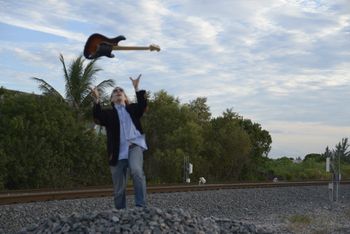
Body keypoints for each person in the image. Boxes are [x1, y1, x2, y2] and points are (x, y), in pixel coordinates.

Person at [91, 74, 147, 209]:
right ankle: (121, 213)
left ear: (126, 98)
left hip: (134, 146)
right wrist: (96, 100)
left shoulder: (133, 109)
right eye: (114, 92)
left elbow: (143, 105)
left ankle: (140, 207)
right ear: (111, 99)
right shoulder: (108, 114)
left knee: (136, 171)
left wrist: (136, 88)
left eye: (120, 90)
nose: (117, 92)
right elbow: (97, 117)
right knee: (119, 188)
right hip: (117, 153)